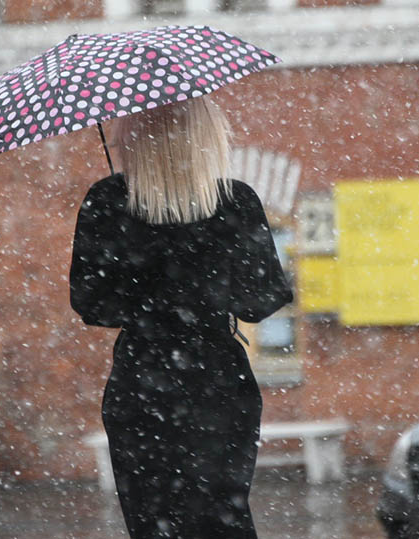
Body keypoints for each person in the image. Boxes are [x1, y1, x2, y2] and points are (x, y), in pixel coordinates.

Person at [69, 96, 293, 538]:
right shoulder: (234, 202)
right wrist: (205, 287)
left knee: (152, 522)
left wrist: (144, 282)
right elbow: (262, 300)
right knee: (222, 519)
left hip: (141, 379)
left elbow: (90, 303)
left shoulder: (108, 201)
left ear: (133, 138)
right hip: (217, 381)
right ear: (206, 136)